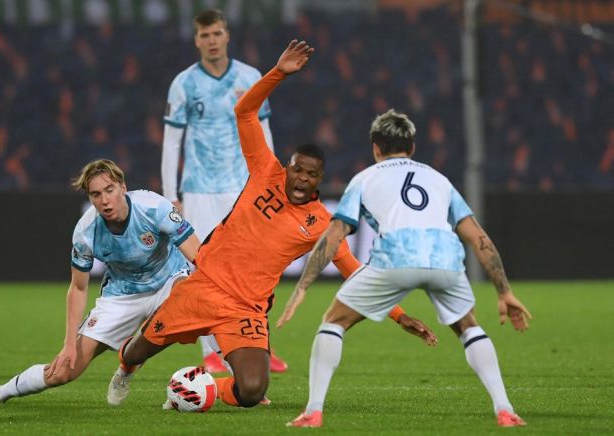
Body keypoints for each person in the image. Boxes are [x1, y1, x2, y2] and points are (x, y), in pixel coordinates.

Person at [112, 40, 437, 410]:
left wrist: (399, 316)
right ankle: (125, 367)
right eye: (297, 168)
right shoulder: (265, 170)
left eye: (311, 174)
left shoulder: (320, 223)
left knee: (251, 390)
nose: (301, 177)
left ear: (319, 180)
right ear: (289, 165)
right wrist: (278, 73)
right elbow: (244, 111)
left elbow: (353, 269)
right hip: (203, 286)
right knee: (139, 350)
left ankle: (199, 390)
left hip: (245, 309)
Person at [277, 109, 533, 428]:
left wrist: (302, 287)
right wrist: (504, 291)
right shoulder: (439, 180)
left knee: (333, 321)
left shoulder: (364, 179)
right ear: (411, 147)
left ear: (375, 148)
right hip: (445, 258)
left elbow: (334, 236)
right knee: (469, 327)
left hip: (395, 256)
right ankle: (505, 409)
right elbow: (479, 238)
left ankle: (313, 412)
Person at [0, 159, 200, 406]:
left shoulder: (154, 207)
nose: (104, 200)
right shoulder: (86, 231)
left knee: (186, 299)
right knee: (63, 371)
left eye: (109, 190)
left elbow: (197, 256)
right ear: (90, 197)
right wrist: (69, 344)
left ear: (123, 188)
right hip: (122, 295)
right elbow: (78, 288)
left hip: (169, 279)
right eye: (96, 194)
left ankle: (129, 364)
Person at [160, 8, 286, 374]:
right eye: (205, 36)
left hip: (243, 188)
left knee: (253, 269)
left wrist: (273, 182)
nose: (212, 41)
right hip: (198, 190)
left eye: (217, 34)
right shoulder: (184, 84)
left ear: (227, 35)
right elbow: (172, 142)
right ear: (196, 39)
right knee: (205, 269)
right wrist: (172, 194)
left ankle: (257, 346)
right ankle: (210, 352)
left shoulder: (249, 77)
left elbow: (264, 135)